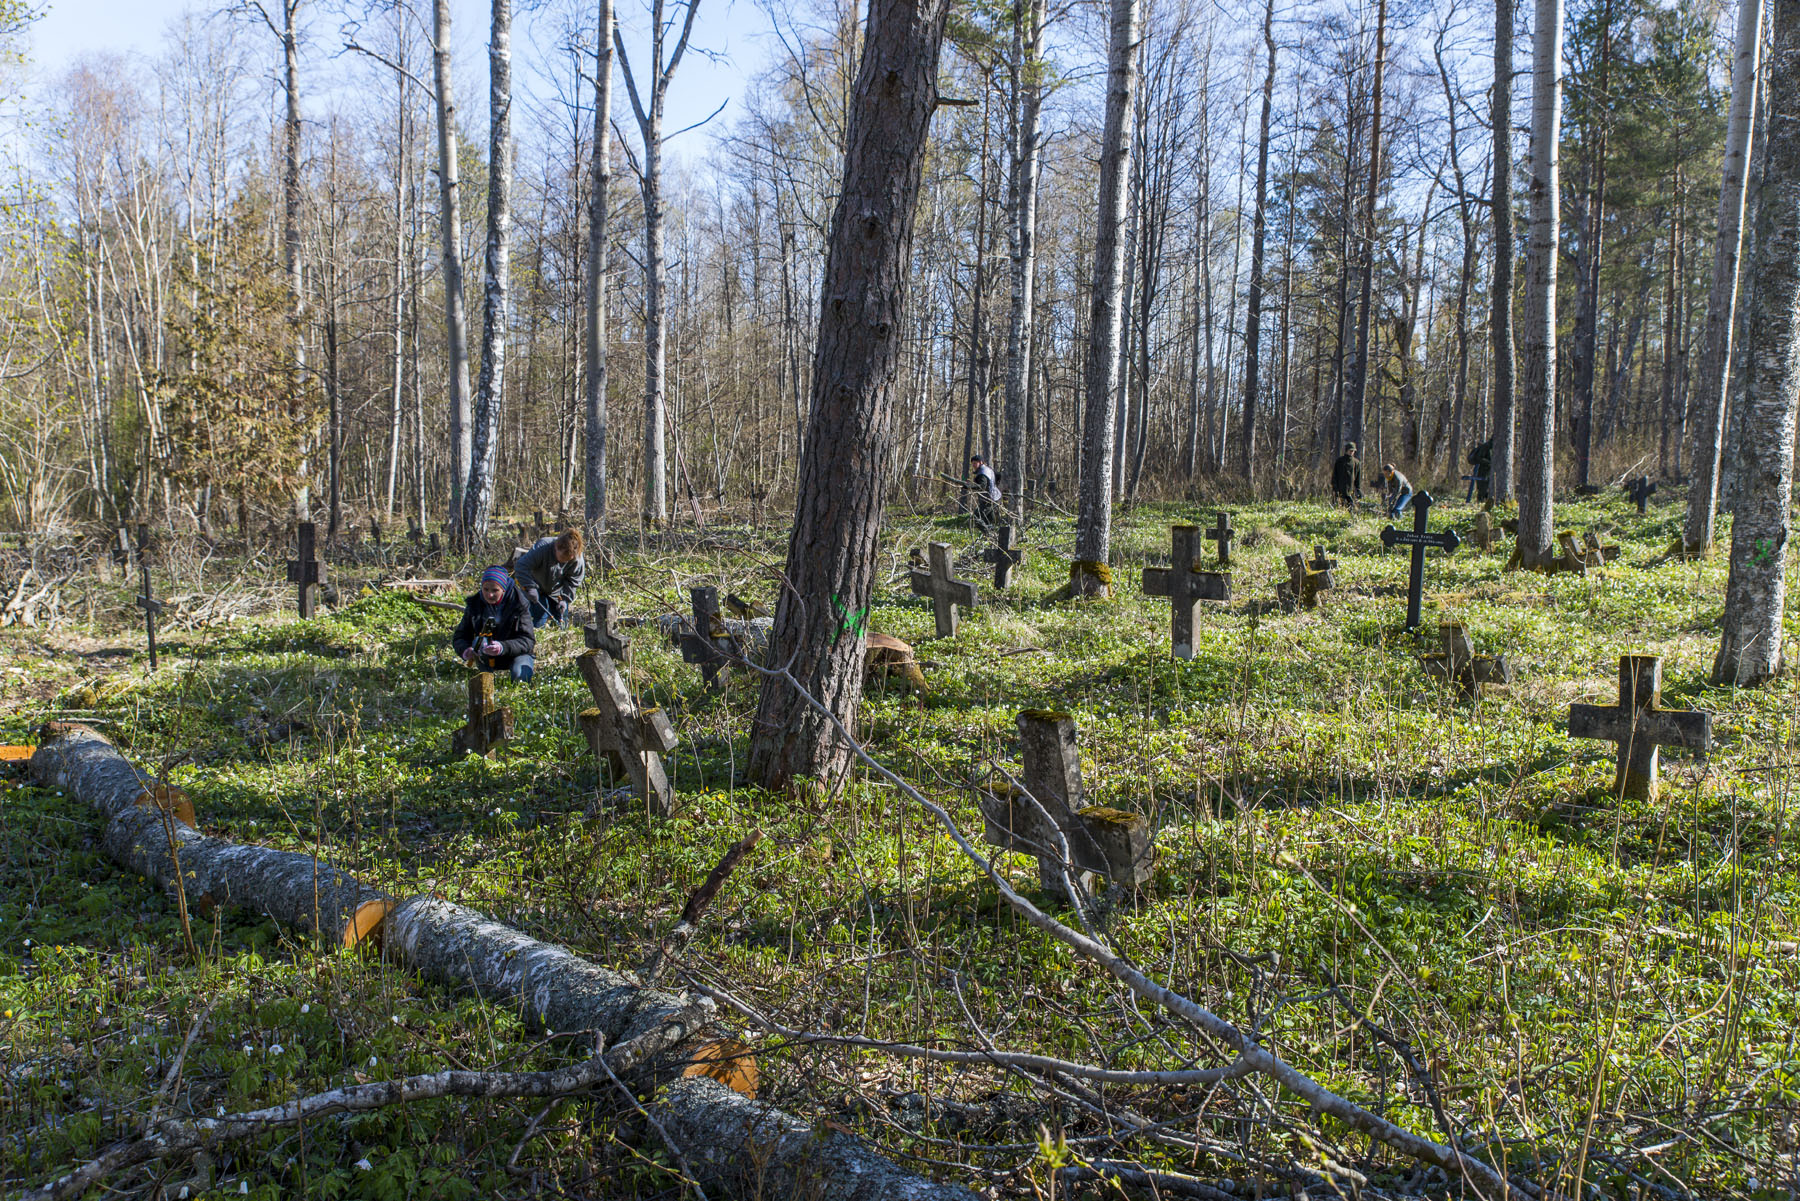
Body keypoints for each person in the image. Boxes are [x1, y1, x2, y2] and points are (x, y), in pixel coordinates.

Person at [453, 566, 537, 682]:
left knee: (520, 676)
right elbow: (460, 636)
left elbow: (528, 641)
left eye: (495, 590)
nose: (490, 595)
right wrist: (465, 650)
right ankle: (486, 676)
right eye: (486, 589)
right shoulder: (475, 604)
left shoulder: (519, 604)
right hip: (486, 654)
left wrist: (502, 647)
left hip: (516, 654)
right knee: (478, 641)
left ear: (503, 589)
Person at [513, 528, 586, 629]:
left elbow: (573, 581)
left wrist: (565, 599)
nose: (562, 562)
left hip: (558, 593)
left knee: (561, 625)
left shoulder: (577, 559)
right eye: (560, 558)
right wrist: (530, 587)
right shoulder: (543, 547)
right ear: (556, 547)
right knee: (538, 623)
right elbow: (521, 567)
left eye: (566, 560)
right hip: (536, 588)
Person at [969, 455, 1002, 526]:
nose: (973, 465)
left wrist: (969, 486)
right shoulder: (987, 469)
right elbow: (998, 475)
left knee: (976, 518)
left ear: (980, 462)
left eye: (975, 463)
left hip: (988, 500)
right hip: (994, 498)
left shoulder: (982, 473)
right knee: (990, 521)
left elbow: (981, 487)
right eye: (972, 464)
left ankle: (988, 534)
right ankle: (991, 535)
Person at [1331, 442, 1362, 507]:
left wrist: (1358, 489)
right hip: (1339, 490)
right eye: (1350, 450)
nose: (1352, 452)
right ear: (1346, 450)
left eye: (1353, 451)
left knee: (1351, 509)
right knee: (1337, 508)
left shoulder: (1356, 462)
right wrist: (1335, 488)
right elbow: (1334, 476)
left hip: (1350, 491)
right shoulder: (1339, 461)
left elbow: (1357, 478)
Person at [1467, 438, 1493, 502]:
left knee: (1486, 489)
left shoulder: (1494, 447)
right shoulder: (1486, 447)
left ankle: (1484, 501)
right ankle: (1481, 501)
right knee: (1483, 489)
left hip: (1489, 472)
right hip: (1484, 471)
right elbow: (1479, 458)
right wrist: (1490, 463)